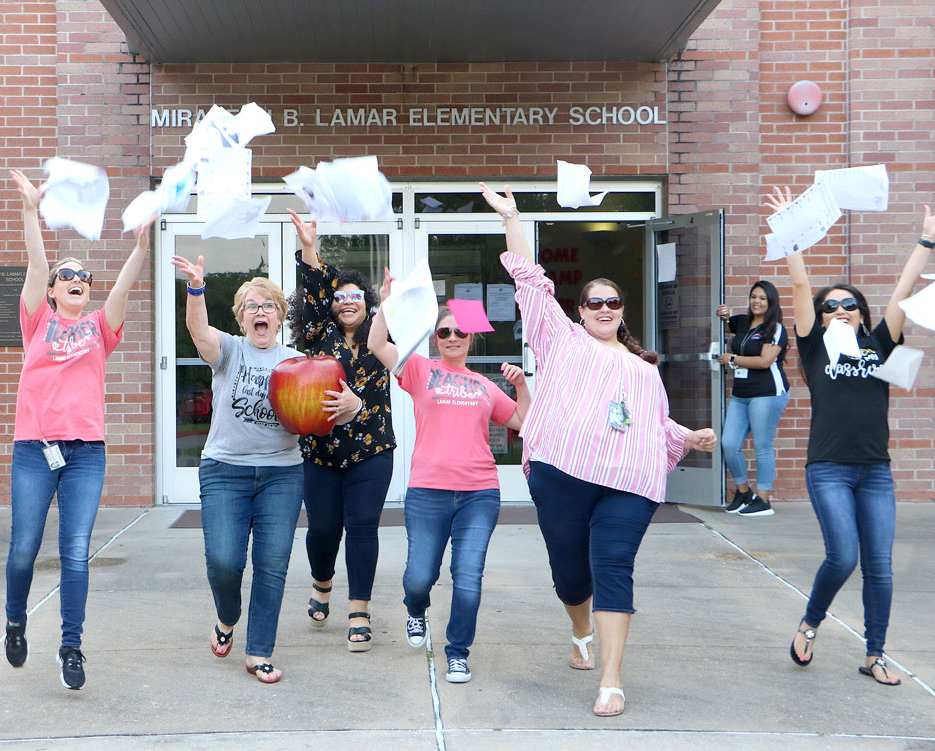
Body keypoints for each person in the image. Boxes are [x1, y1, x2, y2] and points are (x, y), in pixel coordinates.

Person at [480, 182, 717, 717]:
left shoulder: (644, 368)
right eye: (595, 302)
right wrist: (513, 219)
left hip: (628, 483)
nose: (604, 308)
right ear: (581, 310)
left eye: (613, 301)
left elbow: (653, 425)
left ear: (622, 310)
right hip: (562, 471)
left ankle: (611, 680)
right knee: (570, 570)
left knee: (614, 565)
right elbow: (530, 282)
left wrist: (687, 436)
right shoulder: (561, 338)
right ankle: (580, 627)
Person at [769, 186, 934, 687]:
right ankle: (811, 622)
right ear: (819, 318)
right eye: (830, 306)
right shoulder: (815, 349)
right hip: (829, 468)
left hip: (875, 471)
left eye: (848, 305)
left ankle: (875, 653)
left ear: (861, 313)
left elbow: (902, 295)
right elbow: (799, 288)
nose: (839, 309)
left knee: (878, 568)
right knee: (843, 555)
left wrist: (926, 243)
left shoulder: (882, 344)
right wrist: (790, 232)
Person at [170, 252, 360, 684]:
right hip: (225, 471)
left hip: (282, 474)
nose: (260, 312)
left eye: (268, 305)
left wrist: (354, 405)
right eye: (251, 307)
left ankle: (259, 652)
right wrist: (196, 288)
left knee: (271, 565)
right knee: (224, 562)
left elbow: (336, 412)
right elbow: (198, 331)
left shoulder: (296, 363)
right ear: (240, 318)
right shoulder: (229, 351)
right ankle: (226, 615)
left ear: (279, 317)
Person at [4, 170, 154, 690]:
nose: (78, 279)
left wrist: (140, 247)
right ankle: (16, 619)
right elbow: (38, 261)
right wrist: (30, 211)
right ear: (51, 291)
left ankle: (72, 648)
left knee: (74, 550)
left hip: (86, 455)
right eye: (68, 275)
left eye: (84, 276)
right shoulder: (36, 322)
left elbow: (125, 284)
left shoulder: (98, 330)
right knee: (25, 547)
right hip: (34, 450)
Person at [368, 278, 530, 684]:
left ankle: (458, 652)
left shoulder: (485, 385)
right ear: (435, 338)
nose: (453, 337)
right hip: (428, 491)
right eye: (444, 332)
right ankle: (415, 608)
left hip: (479, 493)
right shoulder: (420, 369)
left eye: (460, 331)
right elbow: (377, 346)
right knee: (419, 576)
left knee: (469, 577)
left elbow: (524, 423)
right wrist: (385, 305)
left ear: (471, 337)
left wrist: (522, 386)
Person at [287, 210, 396, 652]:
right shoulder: (317, 336)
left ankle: (359, 611)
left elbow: (404, 369)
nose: (346, 301)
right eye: (339, 296)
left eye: (356, 295)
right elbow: (313, 293)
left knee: (364, 527)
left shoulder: (382, 336)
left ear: (367, 302)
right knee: (324, 530)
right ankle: (322, 582)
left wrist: (360, 405)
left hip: (372, 451)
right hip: (321, 452)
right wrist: (310, 247)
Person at [715, 280, 790, 516]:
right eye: (754, 297)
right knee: (729, 443)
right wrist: (724, 315)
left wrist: (732, 359)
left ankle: (764, 499)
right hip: (741, 393)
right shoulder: (743, 322)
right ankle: (744, 492)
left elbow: (765, 361)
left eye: (762, 298)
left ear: (771, 303)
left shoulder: (775, 328)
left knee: (762, 446)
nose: (756, 302)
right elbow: (726, 326)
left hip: (767, 392)